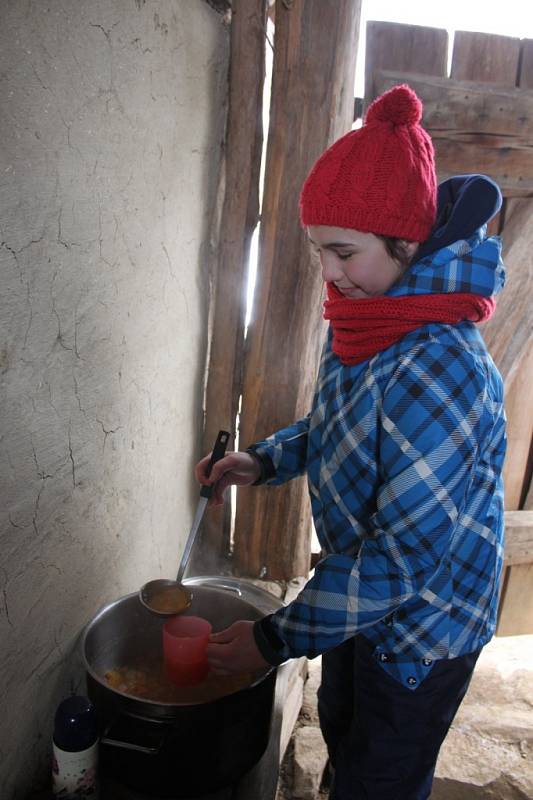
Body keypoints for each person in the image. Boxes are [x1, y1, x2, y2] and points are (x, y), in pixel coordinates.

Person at [195, 84, 506, 800]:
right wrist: (263, 460)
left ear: (405, 241)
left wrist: (271, 640)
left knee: (385, 774)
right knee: (344, 730)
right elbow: (334, 426)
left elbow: (403, 557)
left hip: (423, 631)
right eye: (318, 251)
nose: (328, 275)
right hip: (355, 601)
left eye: (342, 251)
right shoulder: (366, 320)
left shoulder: (440, 366)